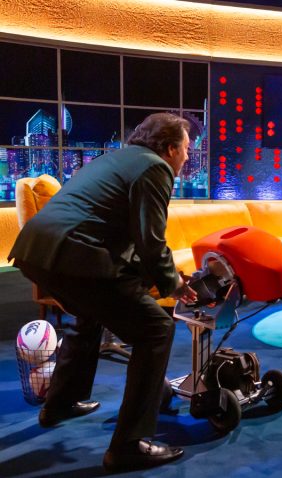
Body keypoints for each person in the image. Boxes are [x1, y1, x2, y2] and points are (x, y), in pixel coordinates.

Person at [9, 112, 198, 472]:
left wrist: (159, 278)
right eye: (186, 148)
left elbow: (116, 232)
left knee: (89, 315)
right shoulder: (155, 168)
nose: (188, 156)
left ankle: (60, 403)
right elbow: (150, 241)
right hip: (74, 255)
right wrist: (174, 284)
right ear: (170, 148)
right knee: (156, 328)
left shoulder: (117, 159)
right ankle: (129, 444)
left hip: (37, 251)